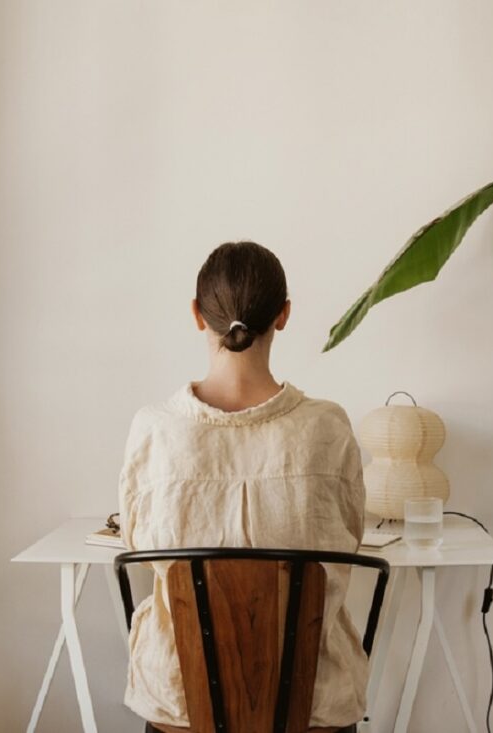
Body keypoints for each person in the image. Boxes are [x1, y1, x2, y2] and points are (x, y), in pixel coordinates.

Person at [117, 240, 368, 731]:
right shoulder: (328, 427)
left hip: (182, 709)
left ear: (196, 314)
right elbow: (350, 537)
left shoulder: (155, 430)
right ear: (284, 315)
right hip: (313, 709)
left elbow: (137, 543)